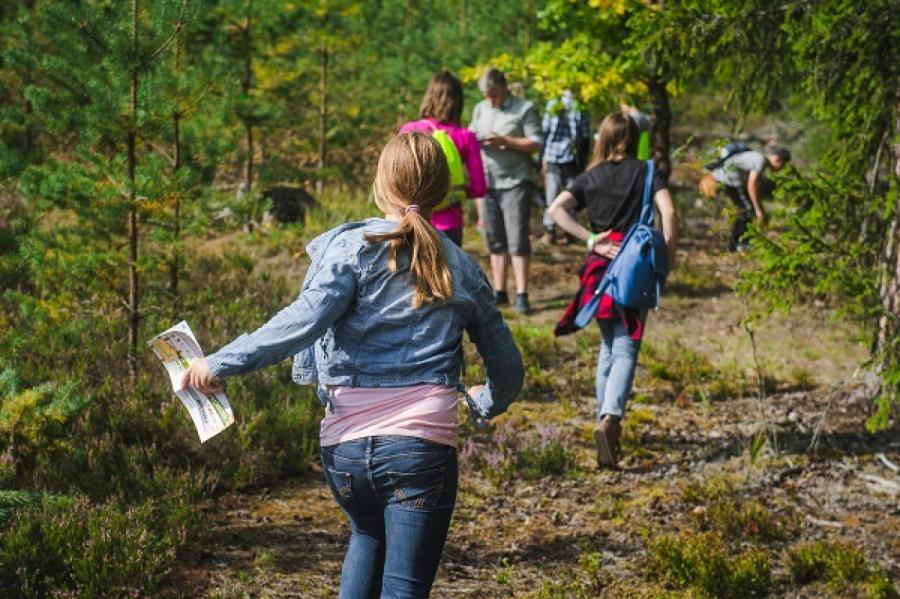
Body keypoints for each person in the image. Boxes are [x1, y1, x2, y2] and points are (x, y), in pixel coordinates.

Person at [180, 133, 524, 598]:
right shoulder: (460, 266)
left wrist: (220, 363)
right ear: (443, 192)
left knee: (366, 535)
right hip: (420, 453)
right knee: (404, 589)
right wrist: (484, 401)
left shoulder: (348, 250)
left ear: (381, 186)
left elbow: (300, 324)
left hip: (345, 453)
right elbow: (506, 366)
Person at [548, 112, 678, 469]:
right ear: (634, 138)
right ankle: (611, 419)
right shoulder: (648, 172)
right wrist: (668, 254)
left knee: (608, 345)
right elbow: (669, 213)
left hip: (600, 268)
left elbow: (556, 209)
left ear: (602, 139)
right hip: (634, 267)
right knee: (625, 346)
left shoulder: (590, 176)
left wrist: (591, 239)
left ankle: (603, 418)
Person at [469, 67, 543, 314]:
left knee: (517, 239)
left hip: (515, 182)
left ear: (504, 87)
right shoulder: (480, 108)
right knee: (495, 239)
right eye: (486, 94)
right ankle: (500, 291)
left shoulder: (524, 108)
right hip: (488, 183)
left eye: (494, 93)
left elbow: (536, 142)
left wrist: (505, 142)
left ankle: (522, 293)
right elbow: (470, 135)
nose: (490, 99)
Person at [399, 71, 487, 247]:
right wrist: (453, 192)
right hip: (450, 222)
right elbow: (479, 189)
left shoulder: (409, 129)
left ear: (429, 97)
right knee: (446, 273)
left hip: (410, 217)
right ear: (458, 102)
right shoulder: (465, 136)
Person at [710, 145, 790, 251]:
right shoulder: (760, 161)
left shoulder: (758, 158)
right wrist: (758, 210)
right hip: (729, 180)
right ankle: (739, 244)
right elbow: (751, 185)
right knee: (747, 210)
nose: (781, 169)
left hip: (729, 179)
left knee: (745, 210)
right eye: (783, 166)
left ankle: (736, 244)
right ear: (777, 159)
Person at [540, 89, 591, 245]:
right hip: (572, 158)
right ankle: (571, 232)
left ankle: (550, 231)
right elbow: (585, 135)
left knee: (552, 195)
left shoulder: (552, 104)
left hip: (552, 156)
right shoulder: (580, 106)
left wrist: (542, 159)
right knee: (571, 196)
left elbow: (545, 133)